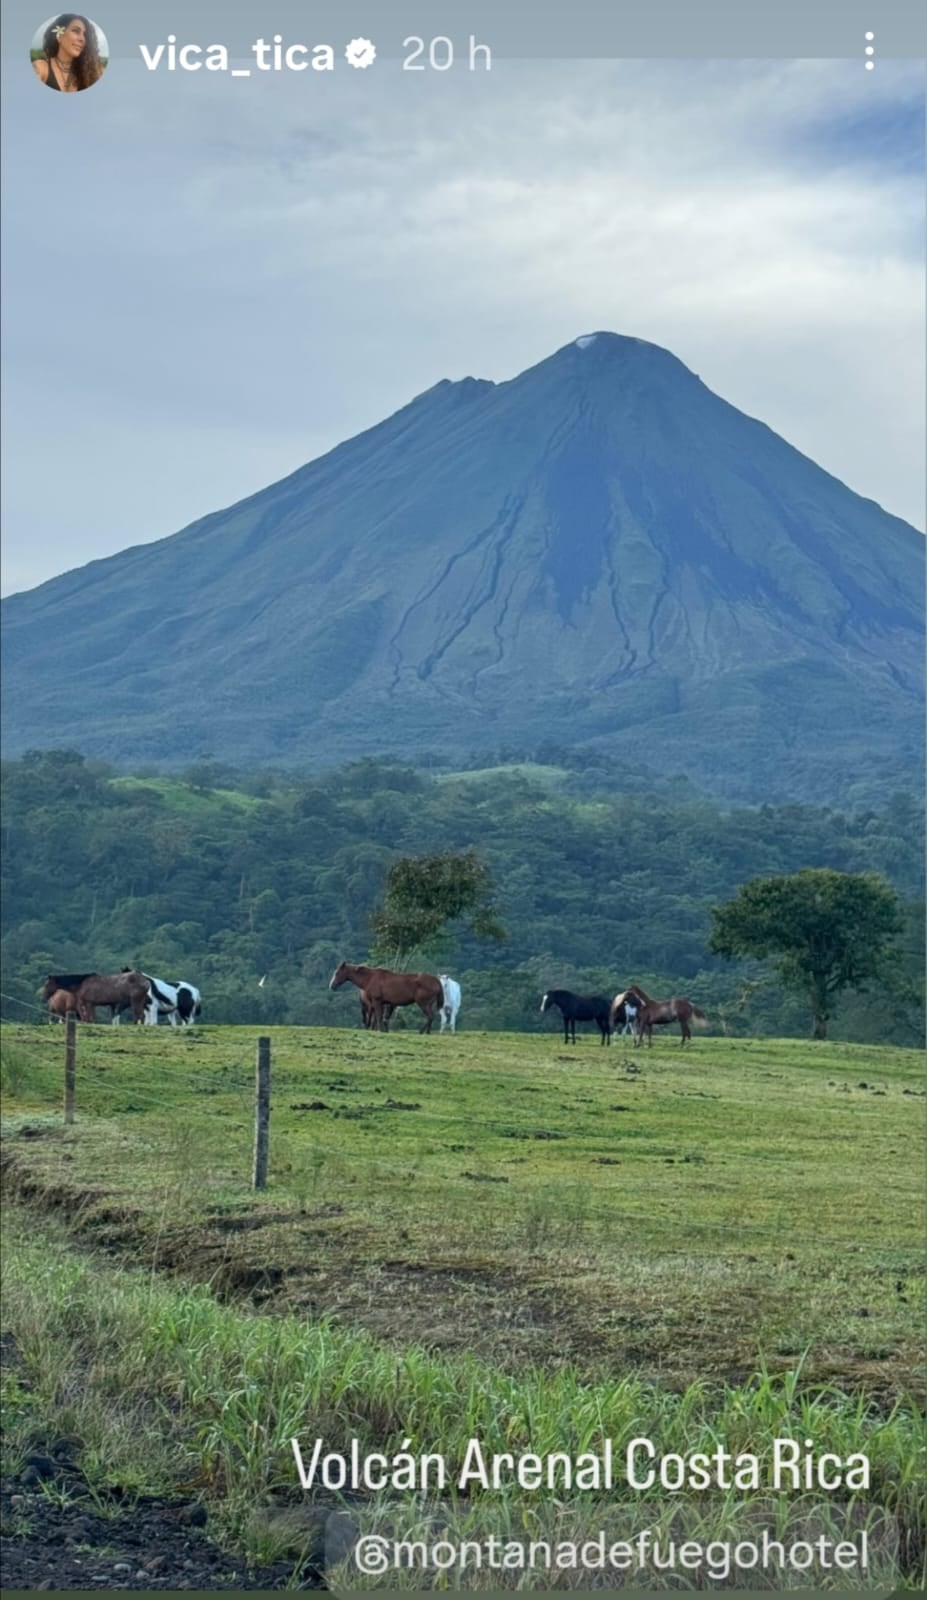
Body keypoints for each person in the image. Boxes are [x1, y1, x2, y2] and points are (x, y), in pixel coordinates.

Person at [33, 14, 104, 91]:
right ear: (59, 36)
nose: (82, 39)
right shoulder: (41, 68)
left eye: (85, 35)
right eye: (76, 31)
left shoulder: (91, 72)